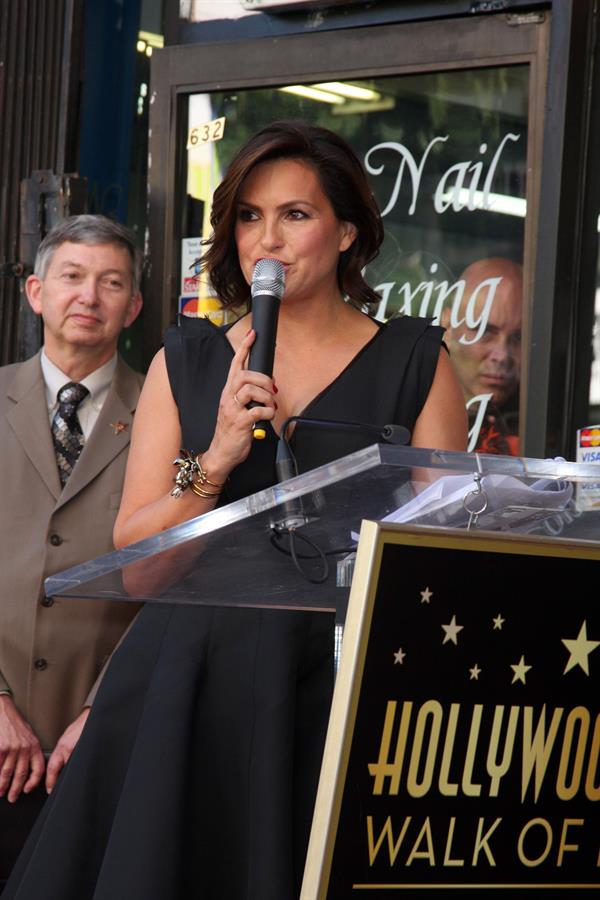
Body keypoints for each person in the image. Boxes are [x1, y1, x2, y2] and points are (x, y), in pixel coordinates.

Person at [3, 121, 467, 900]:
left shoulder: (418, 361)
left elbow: (443, 559)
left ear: (347, 231)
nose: (268, 240)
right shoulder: (183, 361)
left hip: (340, 687)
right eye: (250, 216)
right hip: (191, 680)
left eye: (295, 214)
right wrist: (215, 457)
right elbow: (142, 567)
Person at [0, 215, 144, 890]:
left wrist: (104, 710)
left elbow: (176, 581)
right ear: (36, 292)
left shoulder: (168, 416)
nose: (89, 295)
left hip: (102, 744)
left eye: (111, 282)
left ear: (133, 306)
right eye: (72, 277)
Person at [441, 257, 522, 454]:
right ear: (447, 327)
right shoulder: (409, 414)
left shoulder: (542, 426)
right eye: (484, 331)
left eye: (518, 338)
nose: (502, 355)